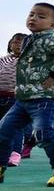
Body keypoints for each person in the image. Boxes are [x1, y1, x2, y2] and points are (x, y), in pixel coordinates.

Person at [0, 3, 54, 186]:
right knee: (3, 130)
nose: (33, 18)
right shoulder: (30, 39)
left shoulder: (50, 38)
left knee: (43, 133)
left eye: (41, 16)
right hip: (24, 98)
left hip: (45, 97)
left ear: (52, 25)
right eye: (31, 14)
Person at [0, 33, 27, 166]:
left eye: (21, 43)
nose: (17, 45)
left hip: (16, 97)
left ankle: (15, 153)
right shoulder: (3, 59)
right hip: (1, 95)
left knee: (15, 126)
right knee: (2, 126)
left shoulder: (28, 59)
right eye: (15, 42)